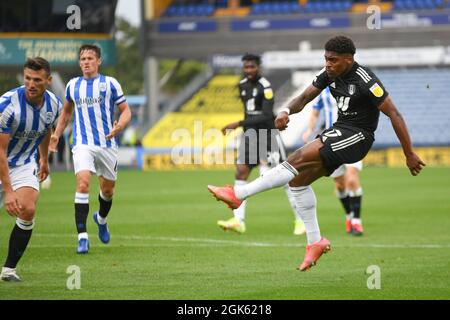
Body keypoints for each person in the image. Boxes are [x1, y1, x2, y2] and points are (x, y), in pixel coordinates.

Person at [208, 36, 425, 271]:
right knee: (298, 181)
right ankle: (315, 242)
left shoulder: (365, 79)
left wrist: (409, 153)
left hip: (359, 137)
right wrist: (285, 111)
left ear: (348, 59)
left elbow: (394, 113)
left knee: (296, 158)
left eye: (333, 60)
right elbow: (304, 97)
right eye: (326, 59)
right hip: (338, 131)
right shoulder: (328, 74)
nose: (328, 64)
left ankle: (240, 194)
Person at [49, 44, 131, 254]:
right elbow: (66, 114)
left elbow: (125, 111)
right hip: (82, 143)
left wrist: (119, 126)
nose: (86, 62)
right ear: (79, 62)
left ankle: (101, 219)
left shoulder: (110, 84)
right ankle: (82, 237)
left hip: (106, 144)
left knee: (107, 191)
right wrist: (56, 135)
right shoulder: (72, 85)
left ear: (98, 61)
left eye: (90, 58)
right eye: (83, 58)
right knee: (83, 183)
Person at [218, 53, 306, 236]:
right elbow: (249, 114)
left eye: (252, 67)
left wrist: (238, 124)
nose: (249, 70)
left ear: (258, 67)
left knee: (286, 177)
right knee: (241, 171)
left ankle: (301, 221)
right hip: (250, 135)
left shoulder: (265, 87)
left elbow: (267, 116)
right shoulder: (242, 86)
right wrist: (243, 126)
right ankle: (238, 220)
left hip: (268, 135)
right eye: (246, 67)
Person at [0, 57, 62, 281]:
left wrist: (44, 159)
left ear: (48, 80)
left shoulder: (54, 104)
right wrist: (8, 192)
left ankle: (8, 270)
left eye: (37, 79)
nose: (31, 84)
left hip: (25, 162)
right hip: (2, 160)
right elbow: (1, 151)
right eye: (27, 78)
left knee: (27, 208)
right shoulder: (7, 105)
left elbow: (46, 129)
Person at [302, 87, 364, 236]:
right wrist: (309, 130)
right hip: (333, 142)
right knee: (340, 185)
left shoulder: (354, 87)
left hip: (352, 138)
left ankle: (356, 221)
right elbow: (315, 112)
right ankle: (349, 215)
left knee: (351, 178)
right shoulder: (324, 92)